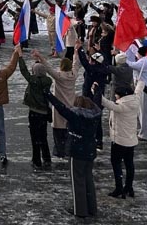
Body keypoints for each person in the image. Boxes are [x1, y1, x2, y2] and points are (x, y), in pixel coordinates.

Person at [44, 90, 101, 219]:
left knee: (77, 182)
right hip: (90, 151)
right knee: (88, 180)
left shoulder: (76, 117)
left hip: (77, 151)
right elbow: (97, 102)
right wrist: (96, 91)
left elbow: (61, 108)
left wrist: (49, 96)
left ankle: (79, 209)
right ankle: (92, 208)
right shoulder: (95, 117)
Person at [95, 80, 144, 198]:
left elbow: (105, 102)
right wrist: (141, 81)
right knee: (129, 164)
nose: (115, 96)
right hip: (131, 140)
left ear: (121, 95)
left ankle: (119, 188)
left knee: (116, 164)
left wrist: (96, 92)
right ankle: (129, 187)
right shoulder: (135, 100)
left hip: (119, 141)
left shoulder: (121, 106)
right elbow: (138, 90)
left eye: (116, 94)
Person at [34, 50, 78, 159]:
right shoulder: (74, 75)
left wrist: (40, 56)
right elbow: (76, 64)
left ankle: (60, 151)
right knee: (69, 130)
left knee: (58, 131)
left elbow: (48, 68)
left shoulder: (59, 76)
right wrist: (76, 52)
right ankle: (68, 151)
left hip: (59, 106)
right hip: (71, 105)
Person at [19, 54, 53, 170]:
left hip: (34, 112)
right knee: (43, 136)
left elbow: (24, 71)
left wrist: (20, 57)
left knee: (35, 137)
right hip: (44, 112)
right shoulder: (48, 81)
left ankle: (37, 159)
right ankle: (47, 158)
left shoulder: (33, 81)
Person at [126, 45, 147, 141]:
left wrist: (119, 56)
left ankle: (145, 134)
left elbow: (130, 65)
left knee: (143, 112)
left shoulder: (144, 62)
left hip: (144, 88)